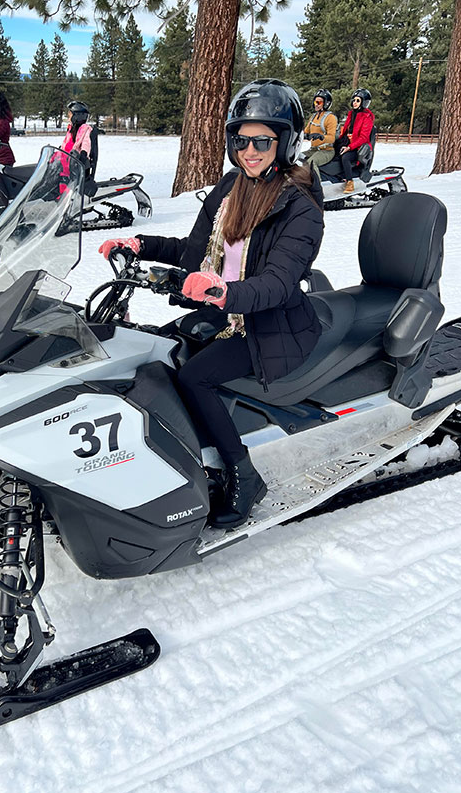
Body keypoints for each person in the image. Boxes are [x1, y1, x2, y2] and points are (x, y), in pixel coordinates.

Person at [98, 79, 325, 529]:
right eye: (241, 140)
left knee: (196, 376)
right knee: (155, 352)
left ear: (285, 142)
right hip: (224, 312)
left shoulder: (301, 206)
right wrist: (140, 244)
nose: (250, 150)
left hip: (270, 326)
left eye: (263, 140)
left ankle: (243, 472)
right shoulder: (230, 188)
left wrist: (223, 292)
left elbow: (278, 283)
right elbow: (193, 252)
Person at [337, 88, 374, 193]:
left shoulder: (367, 117)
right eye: (354, 100)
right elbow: (345, 130)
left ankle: (349, 182)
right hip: (347, 143)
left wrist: (349, 147)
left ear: (364, 102)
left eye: (358, 100)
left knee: (345, 158)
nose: (355, 103)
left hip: (359, 148)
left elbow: (363, 138)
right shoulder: (351, 113)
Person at [60, 100, 98, 194]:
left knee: (69, 185)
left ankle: (67, 199)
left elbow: (86, 143)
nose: (68, 117)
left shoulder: (85, 129)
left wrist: (84, 153)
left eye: (70, 114)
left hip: (76, 163)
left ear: (77, 116)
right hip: (66, 161)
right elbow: (66, 143)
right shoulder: (71, 129)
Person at [302, 89, 337, 173]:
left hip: (326, 151)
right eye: (315, 102)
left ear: (326, 103)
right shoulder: (313, 116)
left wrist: (321, 136)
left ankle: (317, 185)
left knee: (311, 163)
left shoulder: (331, 118)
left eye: (319, 102)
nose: (316, 105)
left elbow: (332, 138)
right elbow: (306, 131)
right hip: (313, 149)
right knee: (296, 158)